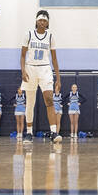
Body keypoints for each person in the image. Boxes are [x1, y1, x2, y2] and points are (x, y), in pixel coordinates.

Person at [21, 10, 63, 144]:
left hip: (45, 68)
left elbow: (54, 59)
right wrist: (23, 70)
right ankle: (28, 133)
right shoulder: (28, 34)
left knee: (49, 99)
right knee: (30, 103)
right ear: (36, 21)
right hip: (30, 68)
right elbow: (22, 55)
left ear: (48, 23)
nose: (43, 22)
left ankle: (53, 132)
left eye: (45, 21)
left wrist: (58, 78)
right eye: (41, 20)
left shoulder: (50, 37)